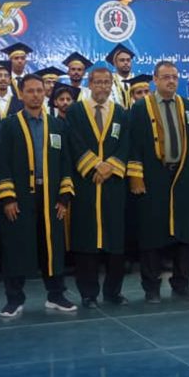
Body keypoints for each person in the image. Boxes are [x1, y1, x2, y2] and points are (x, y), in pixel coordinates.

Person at [0, 74, 76, 317]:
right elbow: (1, 163)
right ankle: (14, 299)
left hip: (50, 195)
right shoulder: (9, 125)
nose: (36, 95)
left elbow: (66, 162)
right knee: (16, 246)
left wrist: (64, 197)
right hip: (20, 196)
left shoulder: (57, 126)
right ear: (21, 94)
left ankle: (56, 295)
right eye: (30, 91)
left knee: (53, 246)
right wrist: (8, 198)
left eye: (40, 90)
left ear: (45, 93)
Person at [127, 61, 189, 302]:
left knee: (183, 232)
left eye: (174, 77)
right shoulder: (141, 108)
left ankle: (182, 283)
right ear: (155, 80)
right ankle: (151, 286)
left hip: (181, 176)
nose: (171, 81)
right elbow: (133, 144)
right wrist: (136, 177)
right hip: (153, 176)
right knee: (152, 233)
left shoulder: (188, 107)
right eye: (166, 77)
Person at [65, 66, 130, 307]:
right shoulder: (75, 111)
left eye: (106, 82)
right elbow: (73, 141)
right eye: (98, 82)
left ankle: (113, 292)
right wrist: (94, 165)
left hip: (113, 185)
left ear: (111, 85)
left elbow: (126, 143)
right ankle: (88, 293)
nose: (103, 86)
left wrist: (110, 166)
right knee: (86, 241)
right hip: (86, 184)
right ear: (90, 84)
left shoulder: (121, 113)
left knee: (116, 241)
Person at [107, 43, 135, 108]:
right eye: (122, 60)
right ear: (115, 63)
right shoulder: (109, 82)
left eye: (128, 60)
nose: (126, 63)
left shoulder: (137, 81)